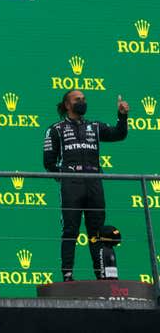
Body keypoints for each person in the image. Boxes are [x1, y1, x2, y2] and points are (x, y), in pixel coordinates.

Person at [43, 90, 129, 281]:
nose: (82, 102)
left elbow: (119, 134)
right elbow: (48, 162)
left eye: (83, 99)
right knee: (70, 230)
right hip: (72, 184)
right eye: (77, 100)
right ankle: (67, 275)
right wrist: (65, 177)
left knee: (97, 232)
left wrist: (122, 116)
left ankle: (102, 276)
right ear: (67, 105)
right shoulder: (55, 129)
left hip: (94, 182)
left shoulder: (95, 126)